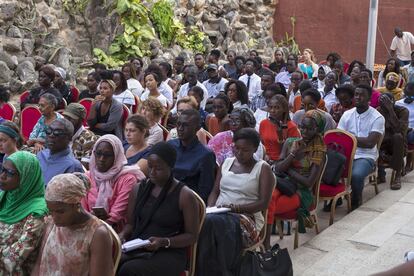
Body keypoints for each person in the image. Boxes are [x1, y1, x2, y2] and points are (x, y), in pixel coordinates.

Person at [196, 128, 274, 275]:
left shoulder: (262, 169)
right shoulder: (226, 163)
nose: (239, 153)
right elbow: (215, 191)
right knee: (204, 223)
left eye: (245, 150)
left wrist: (235, 208)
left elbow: (264, 203)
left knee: (211, 226)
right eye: (236, 148)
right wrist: (210, 208)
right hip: (219, 213)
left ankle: (217, 270)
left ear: (255, 149)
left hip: (246, 217)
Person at [117, 142, 200, 276]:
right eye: (150, 167)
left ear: (171, 167)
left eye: (158, 168)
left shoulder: (185, 195)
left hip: (169, 251)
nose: (152, 172)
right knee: (110, 260)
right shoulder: (138, 188)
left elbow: (192, 236)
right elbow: (130, 224)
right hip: (139, 245)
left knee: (129, 269)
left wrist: (164, 242)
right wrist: (121, 235)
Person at [33, 173, 113, 276]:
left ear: (76, 205)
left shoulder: (97, 234)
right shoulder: (51, 222)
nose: (54, 217)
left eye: (60, 212)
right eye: (50, 211)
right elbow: (39, 264)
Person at [272, 109, 327, 234]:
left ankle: (268, 240)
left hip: (302, 192)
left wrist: (289, 170)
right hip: (283, 184)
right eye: (302, 127)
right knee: (268, 200)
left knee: (273, 207)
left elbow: (308, 183)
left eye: (309, 129)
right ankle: (267, 242)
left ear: (317, 130)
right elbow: (278, 168)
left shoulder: (318, 151)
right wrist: (292, 154)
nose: (304, 132)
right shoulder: (290, 142)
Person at [82, 135, 145, 232]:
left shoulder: (127, 179)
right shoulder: (88, 176)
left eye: (107, 155)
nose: (101, 159)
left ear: (116, 156)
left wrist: (96, 224)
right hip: (86, 226)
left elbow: (117, 214)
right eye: (98, 153)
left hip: (115, 230)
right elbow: (82, 207)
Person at [338, 84, 385, 209]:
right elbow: (339, 138)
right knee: (326, 166)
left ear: (369, 97)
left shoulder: (377, 117)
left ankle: (356, 200)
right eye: (356, 94)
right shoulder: (347, 114)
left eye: (362, 95)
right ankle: (334, 198)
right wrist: (350, 140)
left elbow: (370, 143)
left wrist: (349, 138)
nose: (358, 97)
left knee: (357, 175)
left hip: (365, 155)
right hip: (346, 154)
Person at [0, 151, 48, 275]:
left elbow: (14, 258)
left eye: (10, 173)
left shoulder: (38, 212)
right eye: (2, 170)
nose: (2, 176)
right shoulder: (4, 196)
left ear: (26, 176)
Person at [168, 109, 216, 203]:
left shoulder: (206, 155)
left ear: (197, 128)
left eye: (185, 125)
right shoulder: (170, 146)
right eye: (178, 124)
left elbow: (204, 192)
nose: (180, 128)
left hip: (187, 202)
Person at [37, 118, 84, 184]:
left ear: (69, 138)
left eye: (57, 133)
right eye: (49, 131)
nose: (51, 135)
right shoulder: (41, 154)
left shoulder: (73, 166)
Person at [377, 93, 408, 190]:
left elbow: (399, 129)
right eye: (382, 104)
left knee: (397, 136)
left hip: (398, 145)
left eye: (387, 103)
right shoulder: (378, 111)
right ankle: (381, 174)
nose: (384, 106)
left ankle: (397, 176)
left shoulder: (403, 111)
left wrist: (390, 110)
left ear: (393, 102)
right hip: (383, 144)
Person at [396, 82, 414, 173]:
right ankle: (401, 164)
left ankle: (408, 163)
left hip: (412, 130)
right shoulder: (398, 104)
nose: (409, 98)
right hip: (401, 128)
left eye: (412, 96)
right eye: (408, 95)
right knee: (397, 137)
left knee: (408, 137)